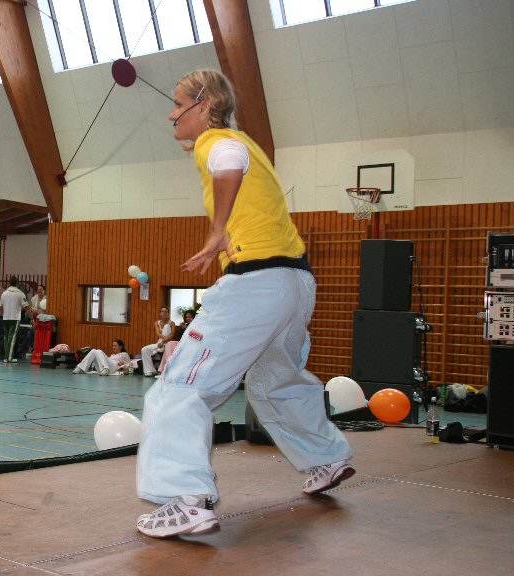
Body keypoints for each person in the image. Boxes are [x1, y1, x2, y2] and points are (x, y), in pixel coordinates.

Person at [135, 69, 354, 538]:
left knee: (180, 387)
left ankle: (184, 499)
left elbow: (228, 161)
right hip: (294, 283)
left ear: (203, 105)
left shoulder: (215, 141)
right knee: (276, 380)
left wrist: (218, 230)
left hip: (254, 283)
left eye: (178, 104)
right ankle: (326, 457)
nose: (172, 115)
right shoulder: (247, 143)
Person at [140, 306, 176, 377]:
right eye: (162, 311)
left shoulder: (172, 323)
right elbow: (158, 334)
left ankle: (162, 347)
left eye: (166, 311)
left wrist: (163, 342)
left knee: (166, 326)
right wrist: (163, 341)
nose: (164, 313)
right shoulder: (157, 323)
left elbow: (172, 335)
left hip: (168, 344)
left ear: (168, 313)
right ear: (160, 313)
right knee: (144, 349)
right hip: (160, 343)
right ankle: (150, 371)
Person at [157, 309, 195, 374]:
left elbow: (194, 337)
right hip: (181, 343)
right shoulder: (185, 325)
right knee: (169, 344)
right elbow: (178, 337)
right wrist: (182, 328)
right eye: (186, 317)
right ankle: (165, 369)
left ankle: (167, 369)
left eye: (190, 317)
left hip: (190, 344)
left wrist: (185, 328)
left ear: (194, 317)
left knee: (171, 344)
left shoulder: (196, 325)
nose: (188, 318)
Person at [0, 275, 27, 363]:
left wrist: (5, 314)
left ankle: (5, 356)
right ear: (17, 283)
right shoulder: (20, 294)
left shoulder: (4, 293)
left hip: (5, 318)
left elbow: (1, 306)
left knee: (6, 337)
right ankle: (9, 357)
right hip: (15, 318)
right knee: (12, 338)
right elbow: (26, 306)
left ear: (9, 283)